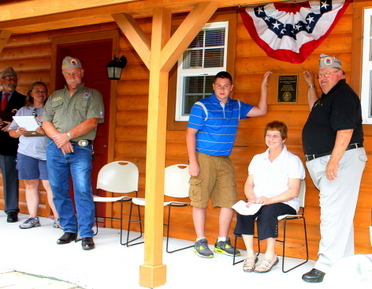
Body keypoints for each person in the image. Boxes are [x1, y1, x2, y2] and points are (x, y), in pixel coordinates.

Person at [186, 71, 272, 258]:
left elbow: (261, 110)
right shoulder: (202, 106)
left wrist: (263, 86)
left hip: (224, 160)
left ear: (231, 87)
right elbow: (190, 134)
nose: (222, 89)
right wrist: (193, 161)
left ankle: (222, 241)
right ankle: (200, 241)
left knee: (228, 200)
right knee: (199, 200)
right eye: (219, 85)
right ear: (213, 87)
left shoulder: (236, 106)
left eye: (226, 85)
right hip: (203, 158)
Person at [301, 54, 367, 283]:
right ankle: (344, 261)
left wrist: (333, 161)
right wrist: (311, 84)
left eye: (328, 74)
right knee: (339, 214)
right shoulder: (327, 98)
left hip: (341, 161)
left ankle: (325, 265)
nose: (323, 78)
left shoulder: (343, 95)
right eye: (321, 75)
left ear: (341, 74)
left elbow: (346, 130)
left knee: (331, 214)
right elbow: (314, 107)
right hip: (332, 161)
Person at [42, 56, 104, 250]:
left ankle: (86, 233)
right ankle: (69, 228)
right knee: (58, 190)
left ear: (82, 73)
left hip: (81, 148)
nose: (72, 76)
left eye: (76, 73)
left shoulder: (93, 94)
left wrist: (68, 136)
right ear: (63, 74)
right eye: (68, 73)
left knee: (82, 190)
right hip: (56, 148)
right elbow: (45, 122)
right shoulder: (55, 97)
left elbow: (93, 121)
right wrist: (60, 140)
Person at [234, 121, 305, 273]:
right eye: (268, 135)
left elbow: (293, 191)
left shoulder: (292, 160)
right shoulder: (257, 159)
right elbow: (248, 185)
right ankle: (251, 255)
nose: (271, 139)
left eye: (275, 136)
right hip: (259, 201)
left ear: (283, 139)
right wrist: (251, 198)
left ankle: (270, 255)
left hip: (284, 202)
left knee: (268, 212)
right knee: (244, 209)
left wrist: (269, 200)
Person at [8, 82, 61, 229]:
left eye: (44, 91)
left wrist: (46, 131)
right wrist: (18, 131)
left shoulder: (51, 110)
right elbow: (12, 133)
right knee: (31, 184)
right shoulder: (23, 110)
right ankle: (33, 217)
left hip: (47, 153)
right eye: (37, 90)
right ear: (30, 93)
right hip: (26, 153)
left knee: (49, 185)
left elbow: (58, 130)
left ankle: (58, 218)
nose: (40, 93)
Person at [0, 67, 26, 223]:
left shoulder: (22, 99)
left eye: (14, 79)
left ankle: (11, 210)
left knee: (10, 177)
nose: (12, 81)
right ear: (1, 80)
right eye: (9, 78)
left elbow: (26, 119)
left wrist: (12, 124)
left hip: (10, 143)